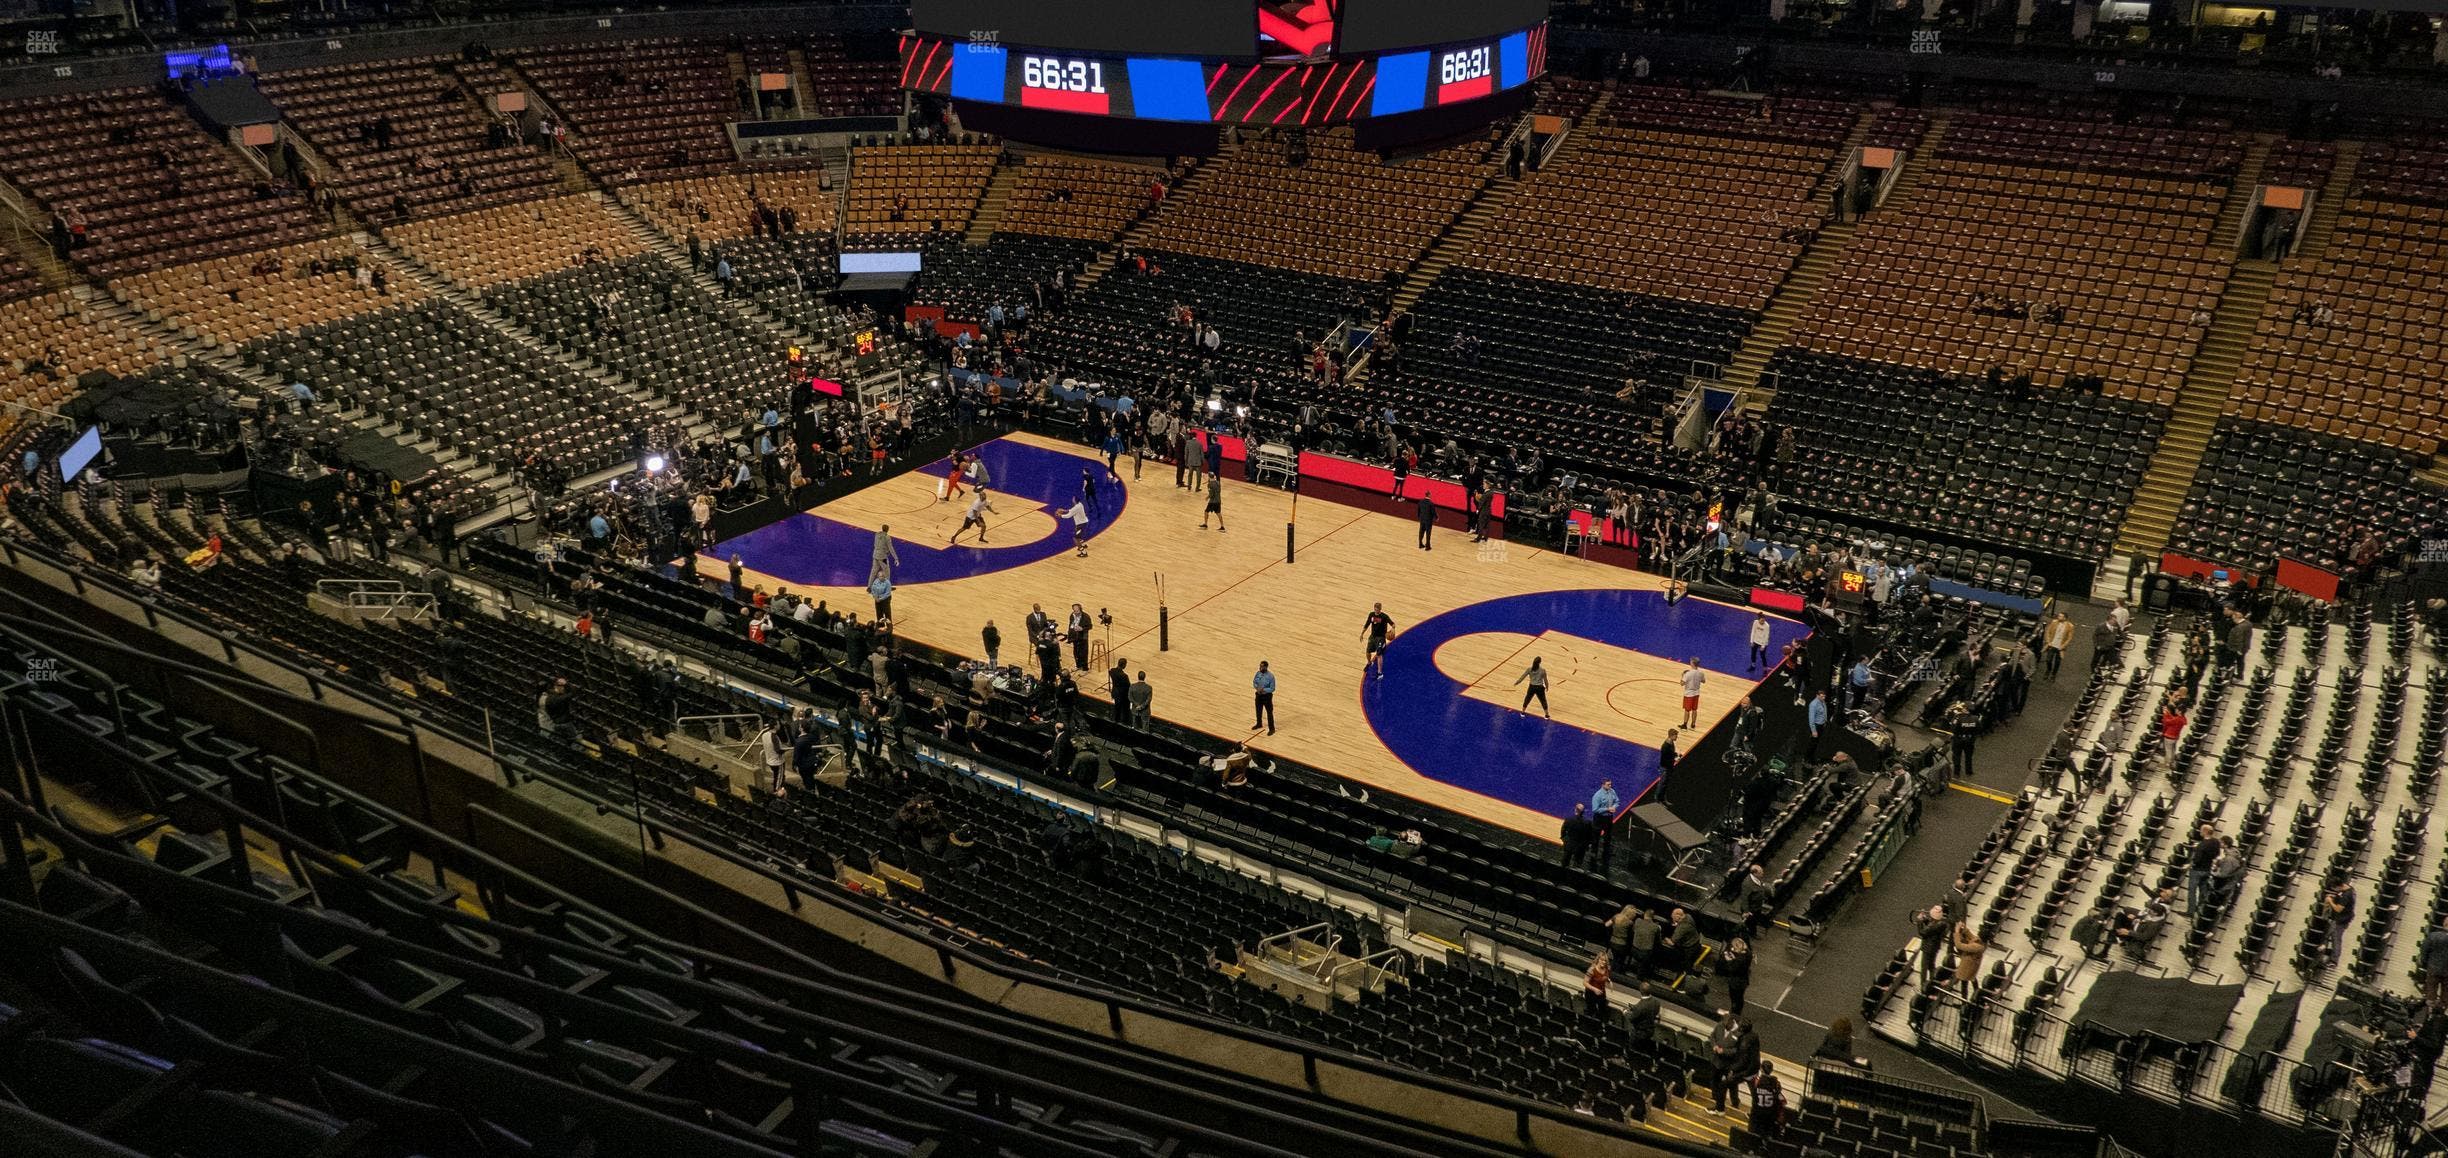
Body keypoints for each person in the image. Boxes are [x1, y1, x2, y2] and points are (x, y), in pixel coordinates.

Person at [1743, 1062, 1785, 1143]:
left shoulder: (1757, 1081)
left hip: (1757, 1114)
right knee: (1766, 1137)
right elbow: (1780, 1099)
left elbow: (1755, 1096)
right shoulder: (1776, 1083)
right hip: (1770, 1115)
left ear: (1761, 1069)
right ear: (1772, 1070)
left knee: (1752, 1137)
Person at [1913, 904, 1949, 983]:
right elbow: (1931, 927)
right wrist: (1925, 919)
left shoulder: (1933, 926)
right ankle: (1933, 981)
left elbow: (1922, 932)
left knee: (1924, 967)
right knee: (1931, 965)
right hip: (1935, 947)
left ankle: (1923, 984)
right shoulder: (1942, 923)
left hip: (1927, 948)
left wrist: (1919, 921)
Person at [1951, 919, 1986, 996]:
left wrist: (1956, 932)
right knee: (1972, 979)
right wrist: (1964, 928)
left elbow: (1959, 946)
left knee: (1964, 983)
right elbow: (1972, 937)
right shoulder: (1980, 941)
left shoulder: (1977, 947)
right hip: (1971, 965)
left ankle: (1965, 1002)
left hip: (1968, 966)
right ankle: (1977, 995)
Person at [1719, 936, 1753, 1015]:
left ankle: (1734, 1014)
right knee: (1739, 998)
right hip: (1743, 980)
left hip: (1736, 982)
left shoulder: (1740, 960)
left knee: (1735, 998)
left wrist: (1729, 960)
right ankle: (1735, 1012)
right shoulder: (1748, 953)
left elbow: (1733, 969)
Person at [1591, 779, 1621, 867]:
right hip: (1599, 819)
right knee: (1596, 836)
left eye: (1611, 784)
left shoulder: (1612, 792)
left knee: (1608, 835)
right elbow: (1595, 810)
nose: (1610, 786)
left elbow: (1617, 801)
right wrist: (1608, 809)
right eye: (1608, 785)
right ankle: (1594, 853)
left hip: (1609, 818)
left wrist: (1614, 807)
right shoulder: (1597, 795)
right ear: (1603, 785)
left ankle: (1606, 852)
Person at [2422, 921, 2448, 1011]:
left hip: (2433, 968)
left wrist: (2426, 963)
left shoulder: (2433, 936)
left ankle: (2429, 1011)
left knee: (2431, 990)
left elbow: (2424, 952)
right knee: (2445, 994)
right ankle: (2441, 1011)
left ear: (2444, 924)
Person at [2042, 612, 2075, 680]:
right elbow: (2048, 631)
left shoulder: (2070, 626)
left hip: (2060, 647)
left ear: (2065, 618)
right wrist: (2048, 641)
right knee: (2048, 660)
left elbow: (2069, 638)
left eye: (2060, 616)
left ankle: (2054, 674)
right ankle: (2048, 670)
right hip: (2052, 644)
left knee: (2057, 662)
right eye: (2059, 616)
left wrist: (2063, 646)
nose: (2058, 617)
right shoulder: (2054, 622)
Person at [1582, 950, 1612, 1018]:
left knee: (1602, 1013)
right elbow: (1585, 982)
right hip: (1591, 993)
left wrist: (1609, 980)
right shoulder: (1592, 970)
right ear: (1598, 959)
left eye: (1605, 961)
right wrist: (1595, 989)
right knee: (1592, 1012)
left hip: (1601, 993)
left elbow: (1604, 977)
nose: (1604, 962)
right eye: (1602, 960)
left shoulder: (1607, 969)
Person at [1679, 657, 1706, 728]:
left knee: (1687, 710)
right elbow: (1703, 681)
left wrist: (1682, 676)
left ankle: (1685, 724)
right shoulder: (1701, 673)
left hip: (1689, 694)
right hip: (1696, 693)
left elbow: (1682, 683)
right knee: (1694, 709)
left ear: (1692, 663)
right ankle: (1693, 724)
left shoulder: (1688, 674)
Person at [1252, 660, 1276, 734]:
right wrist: (1257, 688)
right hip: (1258, 695)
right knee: (1258, 710)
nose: (1260, 667)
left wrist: (1263, 690)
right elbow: (1254, 682)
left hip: (1267, 697)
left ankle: (1272, 729)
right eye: (1260, 666)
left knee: (1269, 712)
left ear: (1266, 667)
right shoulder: (1258, 673)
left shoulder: (1271, 676)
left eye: (1262, 666)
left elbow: (1272, 688)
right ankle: (1259, 724)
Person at [1066, 604, 1092, 671]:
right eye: (1074, 611)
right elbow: (1070, 625)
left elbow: (1090, 626)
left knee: (1083, 653)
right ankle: (1078, 665)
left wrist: (1082, 628)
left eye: (1077, 611)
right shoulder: (1072, 615)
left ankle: (1085, 668)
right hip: (1074, 636)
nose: (1076, 613)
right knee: (1076, 652)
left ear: (1080, 610)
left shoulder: (1086, 616)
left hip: (1083, 637)